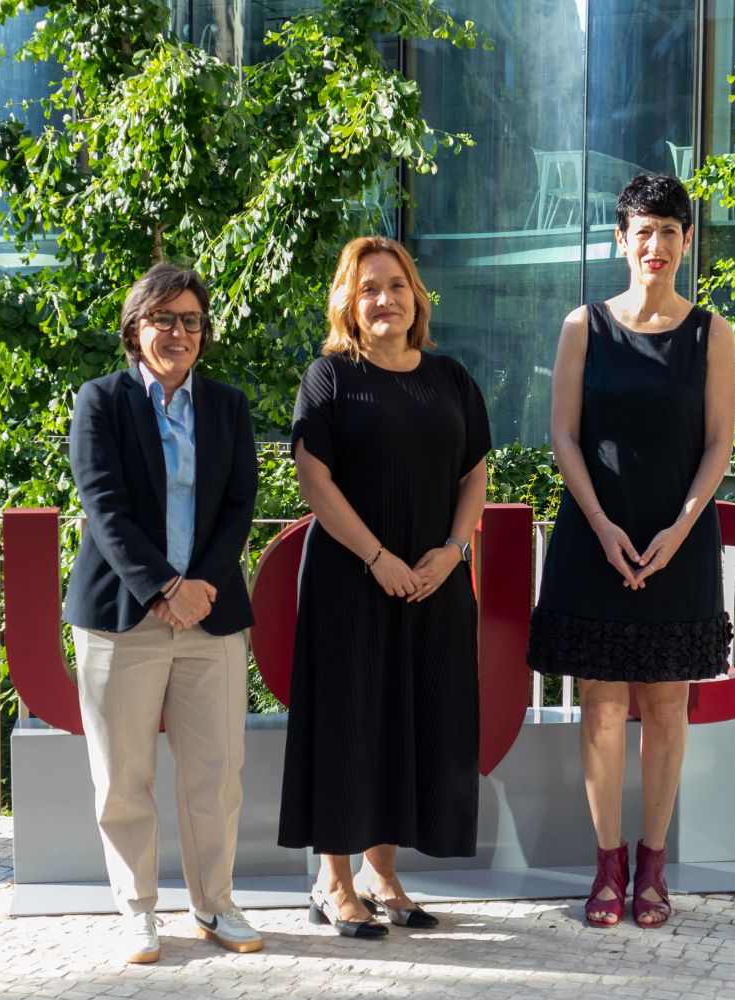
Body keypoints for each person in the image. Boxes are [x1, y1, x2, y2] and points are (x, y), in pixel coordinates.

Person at [526, 172, 735, 929]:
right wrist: (602, 523)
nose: (655, 245)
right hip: (596, 534)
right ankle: (606, 866)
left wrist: (681, 527)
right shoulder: (584, 325)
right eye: (641, 231)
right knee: (604, 707)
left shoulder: (713, 333)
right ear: (621, 240)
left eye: (669, 231)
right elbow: (563, 435)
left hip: (679, 538)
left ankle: (654, 867)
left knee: (667, 705)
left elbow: (720, 443)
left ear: (686, 241)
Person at [278, 235, 491, 939]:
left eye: (396, 285)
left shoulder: (452, 377)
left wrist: (453, 552)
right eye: (368, 287)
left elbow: (474, 473)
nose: (384, 299)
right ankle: (333, 879)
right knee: (349, 721)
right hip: (352, 577)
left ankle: (382, 873)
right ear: (348, 300)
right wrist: (378, 558)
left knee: (410, 721)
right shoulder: (329, 378)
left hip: (435, 582)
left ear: (416, 296)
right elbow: (316, 481)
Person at [64, 263, 262, 963]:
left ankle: (215, 904)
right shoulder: (101, 402)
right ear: (135, 328)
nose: (178, 332)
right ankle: (137, 911)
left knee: (217, 773)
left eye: (191, 321)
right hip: (123, 617)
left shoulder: (227, 406)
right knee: (124, 778)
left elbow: (241, 504)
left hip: (209, 617)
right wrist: (162, 588)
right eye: (163, 319)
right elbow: (104, 508)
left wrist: (199, 585)